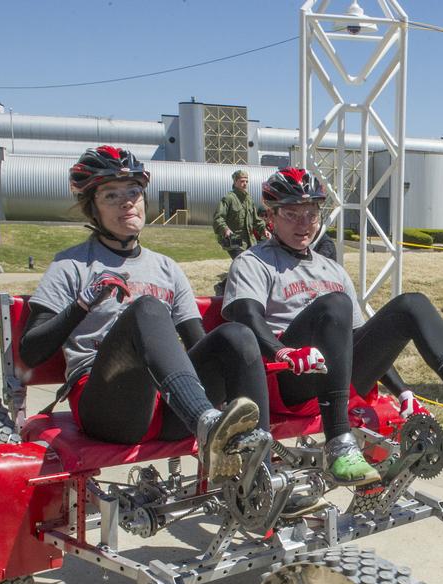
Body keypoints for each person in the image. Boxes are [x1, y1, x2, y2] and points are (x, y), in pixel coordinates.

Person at [222, 167, 443, 486]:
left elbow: (357, 339)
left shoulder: (332, 270)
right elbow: (246, 317)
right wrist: (283, 352)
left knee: (411, 303)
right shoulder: (253, 262)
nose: (304, 224)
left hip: (338, 377)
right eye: (291, 214)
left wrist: (403, 392)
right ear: (271, 216)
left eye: (311, 213)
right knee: (335, 305)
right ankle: (339, 444)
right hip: (290, 379)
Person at [20, 146, 271, 482]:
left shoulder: (167, 268)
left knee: (236, 336)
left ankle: (261, 477)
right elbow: (31, 351)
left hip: (170, 408)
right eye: (111, 195)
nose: (127, 202)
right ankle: (207, 423)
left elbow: (199, 344)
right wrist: (82, 304)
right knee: (147, 308)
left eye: (133, 192)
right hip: (108, 407)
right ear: (92, 207)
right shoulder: (71, 265)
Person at [213, 170, 266, 260]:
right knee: (243, 261)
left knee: (253, 262)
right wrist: (225, 229)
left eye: (246, 181)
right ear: (235, 182)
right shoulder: (229, 198)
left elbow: (255, 219)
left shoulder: (249, 199)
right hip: (234, 240)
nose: (245, 184)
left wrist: (263, 229)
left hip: (250, 241)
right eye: (242, 181)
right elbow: (218, 218)